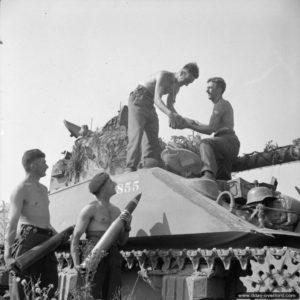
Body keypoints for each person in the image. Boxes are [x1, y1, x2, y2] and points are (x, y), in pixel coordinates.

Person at [4, 149, 58, 299]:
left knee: (50, 286)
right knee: (23, 289)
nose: (47, 166)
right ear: (34, 165)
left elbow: (43, 220)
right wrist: (8, 255)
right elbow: (12, 222)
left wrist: (58, 235)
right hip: (29, 241)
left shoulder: (43, 189)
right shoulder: (20, 189)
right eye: (44, 162)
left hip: (47, 241)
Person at [126, 62, 199, 172]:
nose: (187, 84)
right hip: (138, 98)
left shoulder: (176, 87)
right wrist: (170, 115)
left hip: (149, 104)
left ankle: (148, 165)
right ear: (182, 73)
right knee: (137, 133)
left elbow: (170, 106)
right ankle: (130, 167)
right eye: (187, 81)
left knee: (153, 132)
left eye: (189, 83)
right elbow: (158, 99)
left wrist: (181, 119)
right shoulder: (164, 75)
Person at [70, 172, 131, 300]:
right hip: (93, 252)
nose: (115, 184)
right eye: (111, 182)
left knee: (113, 294)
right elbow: (75, 238)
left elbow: (122, 241)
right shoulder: (90, 209)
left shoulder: (117, 211)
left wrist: (127, 226)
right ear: (103, 187)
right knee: (90, 293)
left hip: (113, 255)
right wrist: (76, 263)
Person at [178, 77, 240, 180]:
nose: (206, 90)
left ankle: (207, 175)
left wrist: (188, 126)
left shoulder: (221, 105)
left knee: (205, 143)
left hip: (228, 141)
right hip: (224, 145)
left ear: (219, 89)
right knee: (221, 180)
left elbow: (209, 130)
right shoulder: (219, 105)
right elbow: (211, 126)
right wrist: (189, 121)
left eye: (210, 88)